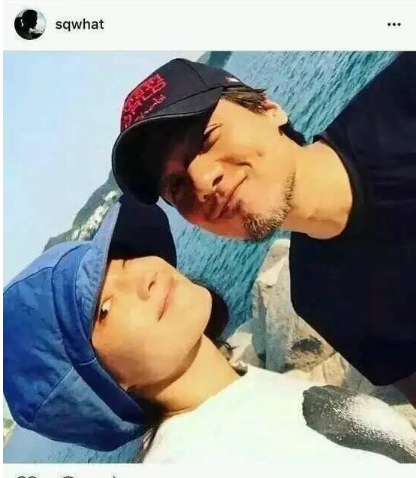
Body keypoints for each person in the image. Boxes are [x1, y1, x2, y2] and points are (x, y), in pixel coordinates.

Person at [3, 197, 407, 462]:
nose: (144, 276)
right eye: (104, 309)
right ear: (98, 388)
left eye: (122, 261)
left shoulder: (239, 392)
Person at [111, 54, 416, 403]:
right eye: (176, 186)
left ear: (270, 110)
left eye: (206, 139)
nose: (203, 182)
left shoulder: (406, 97)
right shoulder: (319, 296)